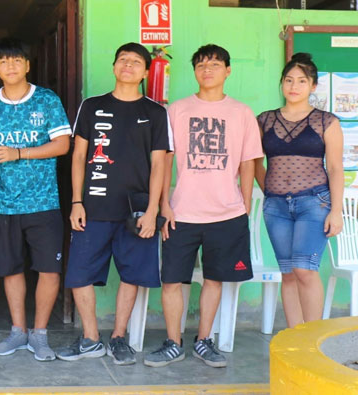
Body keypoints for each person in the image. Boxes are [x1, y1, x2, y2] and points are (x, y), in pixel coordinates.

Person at [144, 44, 263, 368]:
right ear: (194, 72)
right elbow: (165, 161)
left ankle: (204, 340)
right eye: (200, 65)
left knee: (215, 279)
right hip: (181, 212)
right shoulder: (178, 110)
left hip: (227, 213)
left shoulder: (241, 113)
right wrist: (164, 204)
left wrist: (245, 203)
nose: (206, 69)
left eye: (214, 64)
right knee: (171, 280)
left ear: (228, 70)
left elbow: (248, 162)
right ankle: (172, 342)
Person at [55, 43, 171, 365]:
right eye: (123, 60)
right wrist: (77, 201)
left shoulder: (155, 112)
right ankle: (91, 338)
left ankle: (119, 337)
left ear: (146, 72)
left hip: (136, 209)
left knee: (131, 275)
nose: (128, 65)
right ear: (114, 66)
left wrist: (153, 211)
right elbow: (78, 155)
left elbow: (160, 164)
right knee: (79, 274)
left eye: (136, 62)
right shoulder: (92, 106)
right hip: (93, 207)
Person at [0, 37, 71, 362]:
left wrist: (20, 153)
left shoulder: (46, 100)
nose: (11, 66)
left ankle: (40, 335)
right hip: (2, 203)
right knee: (11, 269)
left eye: (17, 60)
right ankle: (18, 332)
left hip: (44, 202)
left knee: (49, 270)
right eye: (3, 61)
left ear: (27, 65)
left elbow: (62, 144)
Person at [254, 53, 343, 328]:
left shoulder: (327, 122)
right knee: (289, 273)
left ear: (313, 86)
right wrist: (269, 191)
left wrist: (336, 211)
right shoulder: (264, 120)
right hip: (276, 207)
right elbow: (255, 162)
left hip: (314, 202)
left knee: (304, 269)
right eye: (289, 80)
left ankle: (311, 338)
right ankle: (295, 339)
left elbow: (336, 168)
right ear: (281, 83)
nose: (294, 86)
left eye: (302, 81)